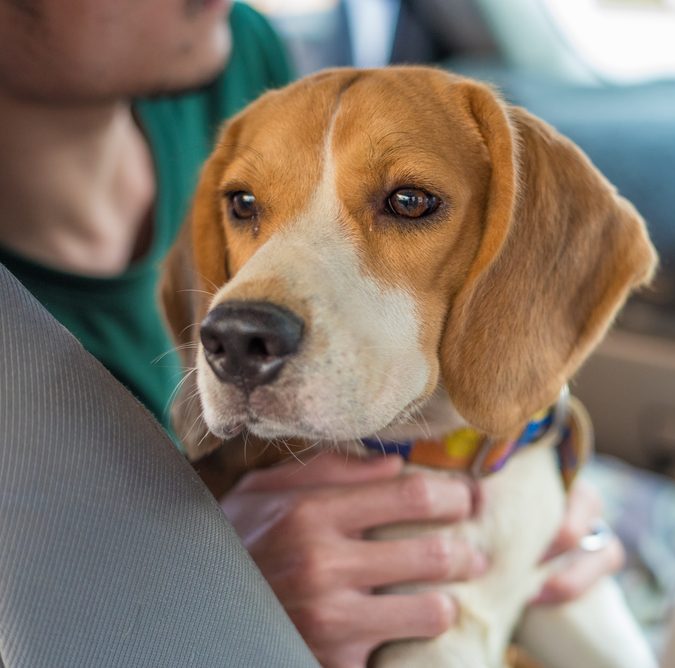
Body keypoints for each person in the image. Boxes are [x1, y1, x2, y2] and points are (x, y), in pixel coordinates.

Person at [0, 1, 623, 666]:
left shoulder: (229, 49)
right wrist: (204, 596)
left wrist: (533, 489)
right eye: (247, 207)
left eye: (408, 204)